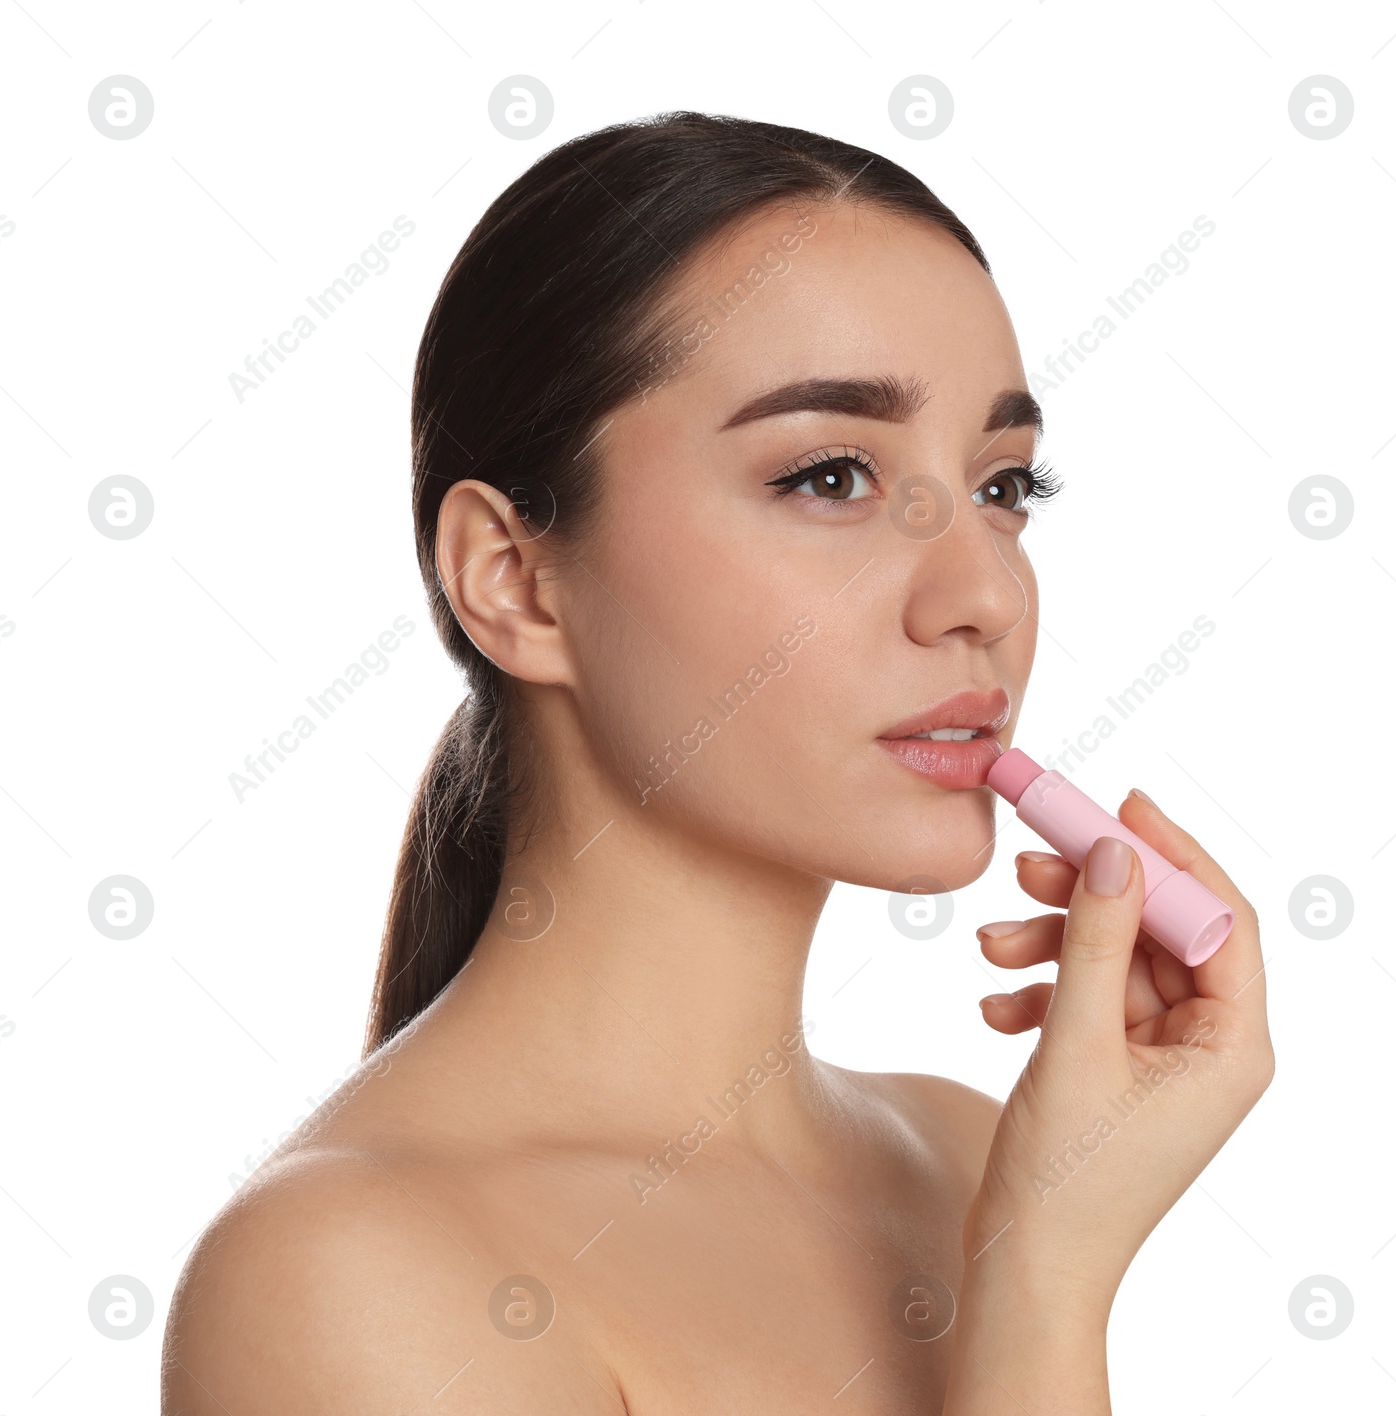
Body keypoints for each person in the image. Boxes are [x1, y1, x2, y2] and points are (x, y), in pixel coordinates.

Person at [161, 111, 1274, 1414]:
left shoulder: (969, 1161)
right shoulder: (352, 1281)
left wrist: (1041, 1246)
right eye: (832, 475)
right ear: (514, 583)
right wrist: (1038, 1293)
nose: (982, 592)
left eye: (1004, 488)